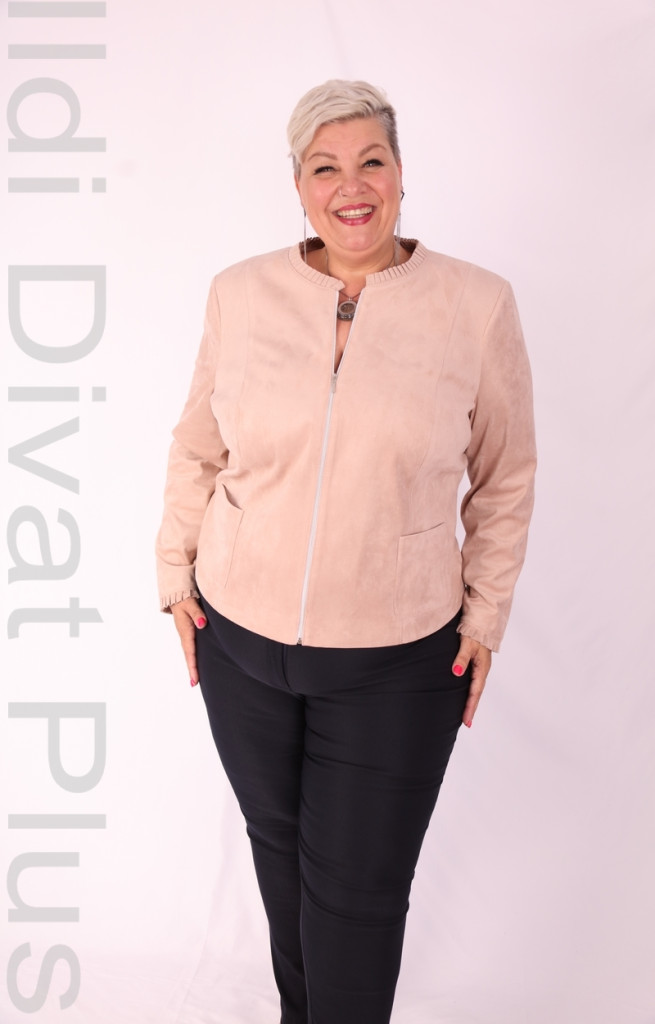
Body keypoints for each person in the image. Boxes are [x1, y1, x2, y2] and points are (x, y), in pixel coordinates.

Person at [156, 79, 536, 1024]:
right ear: (298, 185)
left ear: (401, 174)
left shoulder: (475, 305)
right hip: (239, 645)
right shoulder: (240, 294)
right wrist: (174, 577)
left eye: (371, 161)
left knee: (355, 906)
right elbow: (198, 446)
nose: (350, 186)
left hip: (397, 662)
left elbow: (504, 477)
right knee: (283, 872)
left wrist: (485, 616)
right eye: (325, 167)